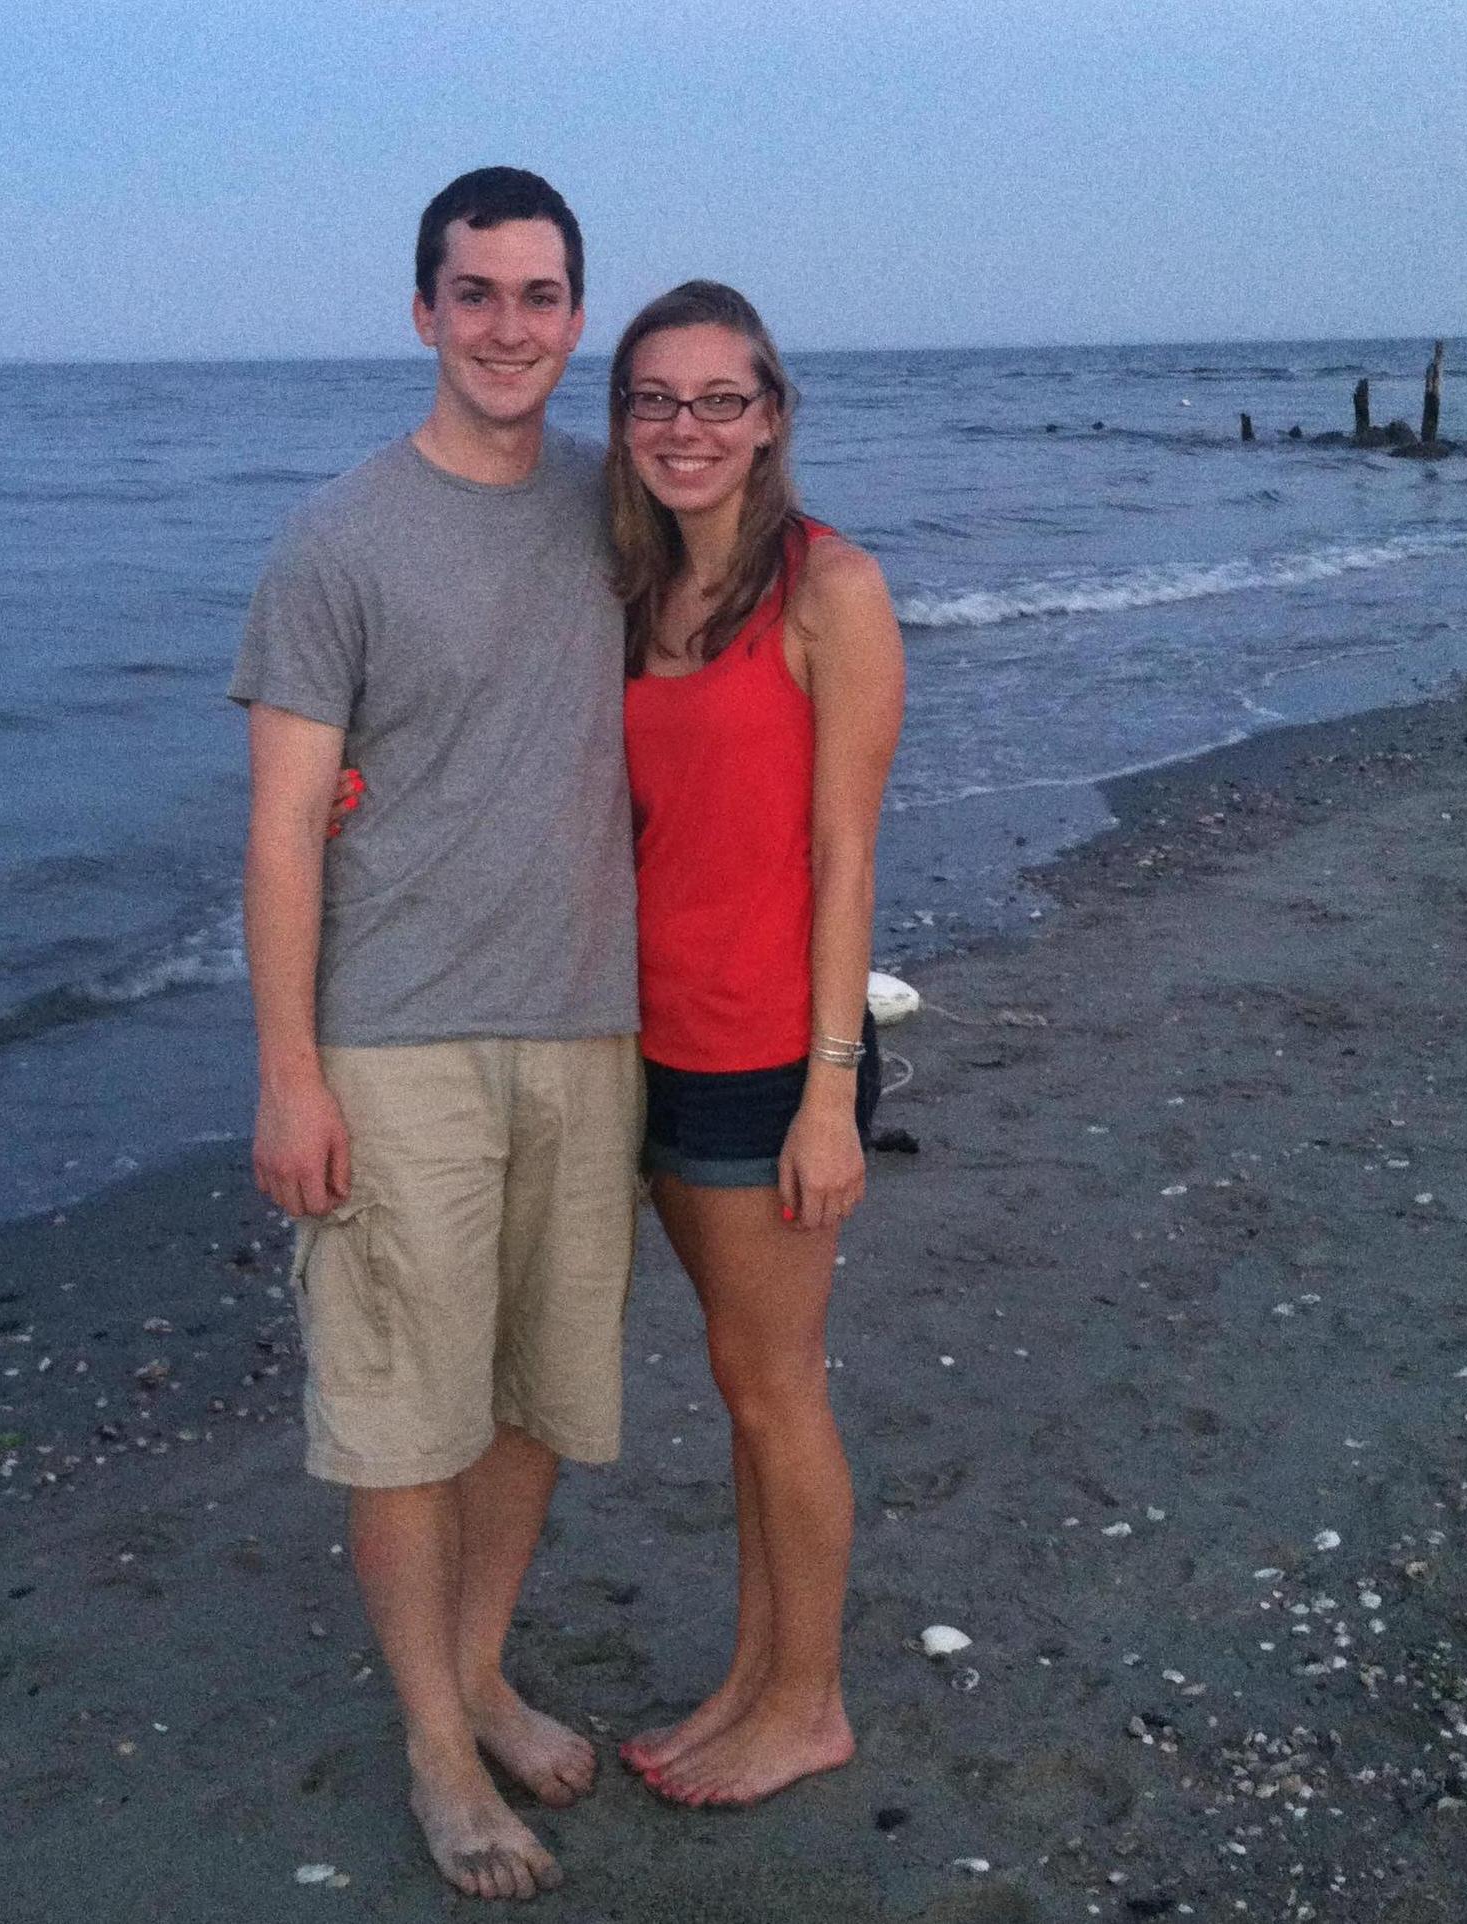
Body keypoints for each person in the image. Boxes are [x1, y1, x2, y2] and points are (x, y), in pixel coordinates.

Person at [228, 167, 640, 1903]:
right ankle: (433, 1749)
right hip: (394, 1046)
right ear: (422, 312)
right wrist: (289, 1074)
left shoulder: (617, 509)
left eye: (540, 296)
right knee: (406, 1424)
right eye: (475, 293)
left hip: (589, 1028)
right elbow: (278, 824)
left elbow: (764, 595)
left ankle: (481, 1673)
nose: (508, 327)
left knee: (534, 1403)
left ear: (575, 318)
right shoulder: (340, 534)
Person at [609, 281, 905, 1807]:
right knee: (742, 1380)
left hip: (766, 1054)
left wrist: (832, 1092)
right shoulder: (631, 586)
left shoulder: (827, 590)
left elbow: (848, 856)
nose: (687, 427)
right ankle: (752, 1674)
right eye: (656, 399)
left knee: (778, 1384)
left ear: (773, 413)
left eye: (720, 398)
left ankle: (812, 1701)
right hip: (639, 1038)